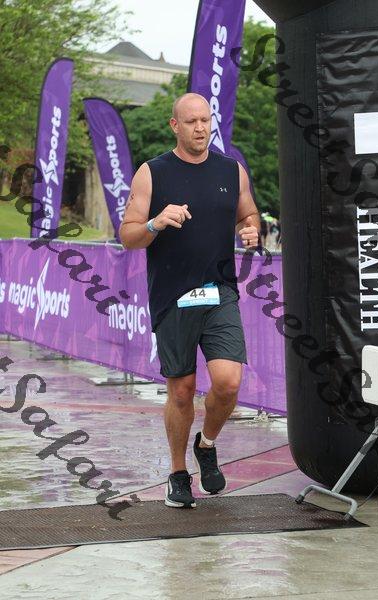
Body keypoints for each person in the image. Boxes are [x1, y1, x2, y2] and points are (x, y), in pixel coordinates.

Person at [120, 92, 260, 509]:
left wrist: (251, 230)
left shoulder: (231, 170)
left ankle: (207, 443)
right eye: (191, 121)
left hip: (220, 292)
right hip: (173, 296)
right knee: (182, 391)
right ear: (174, 125)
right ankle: (178, 473)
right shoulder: (152, 172)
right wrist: (155, 223)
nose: (200, 128)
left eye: (205, 120)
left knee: (228, 382)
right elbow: (128, 236)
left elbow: (248, 214)